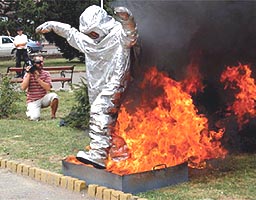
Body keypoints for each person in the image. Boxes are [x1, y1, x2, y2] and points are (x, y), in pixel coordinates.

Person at [36, 5, 138, 169]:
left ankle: (98, 154)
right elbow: (71, 33)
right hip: (97, 87)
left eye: (93, 32)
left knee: (100, 110)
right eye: (89, 33)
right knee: (111, 121)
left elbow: (131, 36)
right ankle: (120, 155)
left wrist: (128, 20)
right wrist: (53, 25)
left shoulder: (117, 35)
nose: (92, 36)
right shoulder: (89, 42)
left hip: (117, 81)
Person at [21, 55, 59, 121]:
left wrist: (38, 78)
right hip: (33, 100)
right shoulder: (28, 74)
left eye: (42, 62)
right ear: (34, 63)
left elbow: (48, 88)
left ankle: (53, 115)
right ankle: (30, 112)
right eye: (38, 62)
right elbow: (23, 88)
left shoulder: (46, 73)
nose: (41, 64)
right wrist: (29, 73)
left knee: (54, 96)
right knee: (35, 118)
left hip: (43, 97)